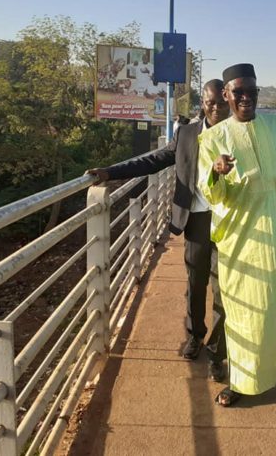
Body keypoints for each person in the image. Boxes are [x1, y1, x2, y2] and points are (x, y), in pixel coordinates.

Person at [86, 79, 230, 381]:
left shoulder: (238, 134)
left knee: (224, 292)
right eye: (210, 101)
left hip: (230, 223)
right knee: (196, 283)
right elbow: (153, 161)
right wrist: (111, 172)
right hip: (197, 221)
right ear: (201, 104)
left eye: (221, 102)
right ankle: (195, 335)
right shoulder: (187, 133)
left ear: (229, 102)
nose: (216, 107)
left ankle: (218, 353)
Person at [197, 63, 276, 407]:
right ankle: (243, 380)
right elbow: (212, 195)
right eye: (238, 93)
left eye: (251, 92)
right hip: (245, 241)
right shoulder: (212, 138)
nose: (246, 98)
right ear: (226, 95)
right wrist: (216, 172)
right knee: (250, 311)